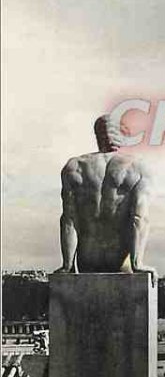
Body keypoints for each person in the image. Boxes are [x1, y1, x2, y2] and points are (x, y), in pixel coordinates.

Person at [54, 115, 156, 284]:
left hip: (87, 260)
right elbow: (139, 219)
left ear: (97, 136)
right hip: (120, 262)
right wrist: (138, 263)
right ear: (122, 135)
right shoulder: (138, 167)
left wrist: (67, 264)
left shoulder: (74, 166)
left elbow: (69, 220)